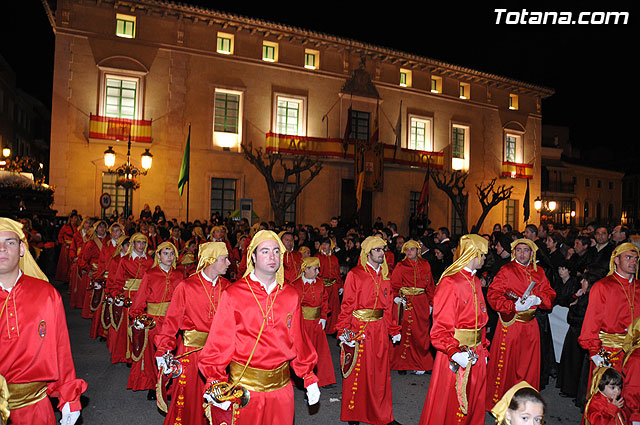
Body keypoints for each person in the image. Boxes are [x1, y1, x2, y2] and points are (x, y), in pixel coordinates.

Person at [198, 230, 320, 425]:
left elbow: (299, 340)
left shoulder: (290, 295)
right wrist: (216, 382)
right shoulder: (233, 294)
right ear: (253, 257)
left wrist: (308, 376)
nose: (272, 257)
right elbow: (219, 343)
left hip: (281, 390)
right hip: (245, 390)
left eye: (276, 251)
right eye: (264, 251)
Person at [0, 217, 88, 425]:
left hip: (34, 408)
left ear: (22, 248)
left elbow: (61, 351)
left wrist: (69, 398)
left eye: (9, 242)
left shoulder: (46, 295)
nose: (2, 249)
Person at [154, 242, 232, 425]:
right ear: (211, 260)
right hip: (191, 352)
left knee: (217, 400)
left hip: (219, 354)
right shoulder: (186, 286)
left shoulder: (228, 287)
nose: (229, 263)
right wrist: (163, 350)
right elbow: (171, 322)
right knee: (188, 399)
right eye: (224, 259)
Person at [419, 234, 490, 425]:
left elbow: (481, 320)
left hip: (475, 351)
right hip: (455, 352)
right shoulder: (450, 282)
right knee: (451, 403)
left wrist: (483, 346)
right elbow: (439, 328)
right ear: (472, 254)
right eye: (482, 255)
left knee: (472, 400)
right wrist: (453, 351)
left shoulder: (475, 281)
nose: (484, 259)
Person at [336, 235, 402, 425]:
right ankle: (354, 414)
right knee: (357, 372)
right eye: (378, 250)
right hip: (359, 329)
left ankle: (383, 415)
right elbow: (347, 305)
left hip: (380, 330)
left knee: (380, 374)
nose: (382, 253)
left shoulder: (386, 277)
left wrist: (393, 329)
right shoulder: (355, 274)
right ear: (367, 253)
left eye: (383, 249)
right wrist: (344, 331)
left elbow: (388, 308)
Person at [486, 238, 556, 409]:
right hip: (511, 325)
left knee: (528, 366)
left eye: (526, 250)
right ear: (514, 252)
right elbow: (493, 294)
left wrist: (539, 298)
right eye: (519, 250)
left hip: (531, 326)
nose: (522, 253)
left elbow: (550, 293)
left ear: (532, 253)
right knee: (507, 366)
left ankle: (525, 405)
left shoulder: (539, 272)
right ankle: (500, 403)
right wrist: (512, 305)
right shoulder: (506, 270)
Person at [579, 243, 640, 423]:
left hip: (635, 354)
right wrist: (594, 352)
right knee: (606, 401)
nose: (633, 262)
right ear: (616, 260)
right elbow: (591, 322)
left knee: (633, 394)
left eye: (636, 258)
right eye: (628, 257)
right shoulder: (603, 286)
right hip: (609, 352)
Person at [127, 242, 182, 397]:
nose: (169, 257)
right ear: (158, 256)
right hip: (154, 322)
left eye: (172, 253)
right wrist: (138, 316)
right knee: (154, 355)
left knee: (173, 354)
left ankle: (169, 386)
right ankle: (154, 385)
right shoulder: (150, 274)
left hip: (173, 321)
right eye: (165, 253)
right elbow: (140, 298)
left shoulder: (179, 275)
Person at [289, 256, 336, 387]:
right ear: (306, 269)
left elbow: (324, 300)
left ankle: (324, 379)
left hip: (317, 322)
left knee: (320, 350)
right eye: (314, 269)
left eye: (318, 269)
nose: (317, 272)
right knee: (303, 351)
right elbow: (292, 306)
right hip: (303, 323)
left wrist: (323, 317)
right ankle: (300, 379)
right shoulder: (295, 285)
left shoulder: (320, 283)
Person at [390, 239, 435, 374]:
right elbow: (393, 285)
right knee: (406, 331)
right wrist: (396, 297)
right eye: (407, 250)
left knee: (421, 333)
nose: (409, 252)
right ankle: (403, 364)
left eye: (412, 249)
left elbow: (431, 285)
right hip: (406, 302)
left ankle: (423, 362)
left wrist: (431, 302)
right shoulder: (400, 265)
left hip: (421, 303)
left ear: (418, 251)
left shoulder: (426, 264)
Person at [107, 233, 153, 364]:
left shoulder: (150, 261)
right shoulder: (125, 260)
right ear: (133, 243)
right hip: (129, 297)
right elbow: (117, 281)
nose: (141, 245)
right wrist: (117, 296)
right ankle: (127, 356)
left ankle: (140, 356)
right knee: (127, 327)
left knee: (141, 327)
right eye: (138, 242)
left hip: (144, 298)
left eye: (143, 243)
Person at [88, 223, 123, 340]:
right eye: (113, 231)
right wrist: (99, 276)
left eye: (118, 231)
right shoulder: (106, 245)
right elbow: (102, 263)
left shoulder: (126, 246)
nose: (115, 233)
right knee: (105, 306)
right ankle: (104, 332)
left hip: (120, 281)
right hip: (107, 279)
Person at [317, 237, 343, 334]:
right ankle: (321, 328)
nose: (324, 246)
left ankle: (332, 329)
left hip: (333, 285)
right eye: (323, 244)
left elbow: (337, 273)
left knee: (334, 308)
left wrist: (340, 285)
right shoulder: (318, 257)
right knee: (323, 307)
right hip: (322, 285)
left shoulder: (334, 258)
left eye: (326, 244)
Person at [55, 213, 78, 282]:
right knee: (65, 263)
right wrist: (63, 243)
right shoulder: (65, 227)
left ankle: (70, 278)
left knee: (72, 262)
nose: (75, 219)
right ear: (71, 218)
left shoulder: (77, 227)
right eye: (74, 218)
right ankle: (64, 278)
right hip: (66, 246)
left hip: (73, 246)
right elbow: (60, 236)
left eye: (76, 218)